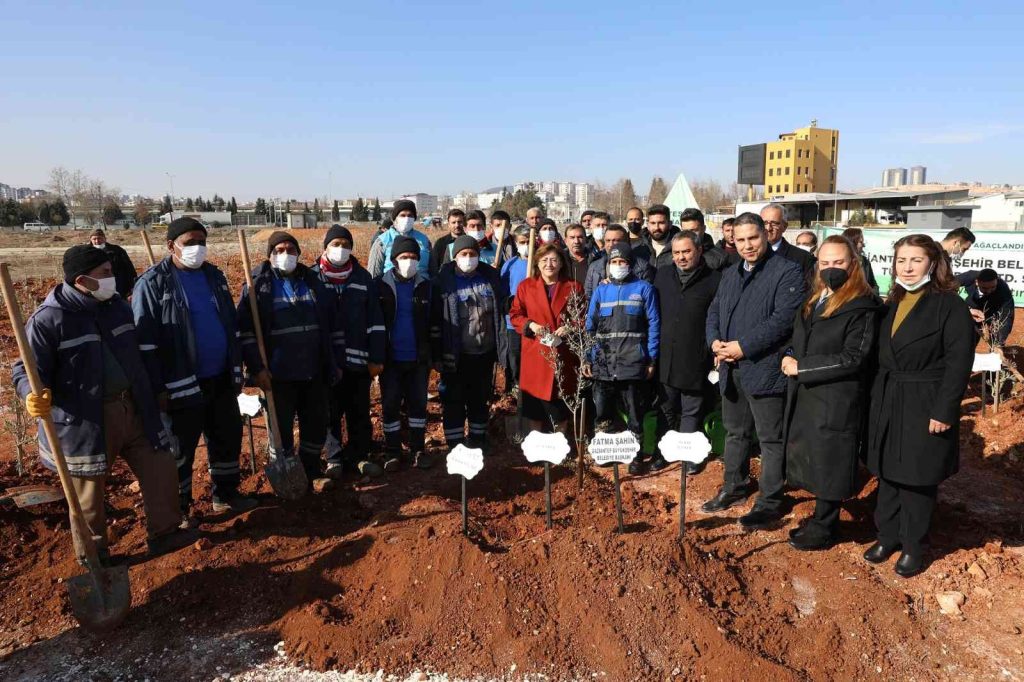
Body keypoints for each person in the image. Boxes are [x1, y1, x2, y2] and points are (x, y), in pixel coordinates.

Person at [14, 245, 195, 565]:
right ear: (83, 279)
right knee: (87, 494)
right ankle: (94, 555)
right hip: (85, 420)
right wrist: (32, 393)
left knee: (160, 466)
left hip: (134, 407)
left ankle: (166, 532)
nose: (113, 279)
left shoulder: (116, 308)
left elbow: (138, 356)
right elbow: (25, 370)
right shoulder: (49, 319)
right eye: (106, 274)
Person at [133, 218, 257, 524]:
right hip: (180, 383)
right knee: (180, 448)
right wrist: (156, 387)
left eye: (202, 242)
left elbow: (229, 324)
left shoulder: (214, 277)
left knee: (226, 436)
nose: (197, 248)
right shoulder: (152, 283)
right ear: (171, 246)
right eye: (190, 242)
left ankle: (225, 495)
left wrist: (236, 368)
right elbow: (144, 343)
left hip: (220, 377)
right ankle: (180, 510)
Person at [865, 234, 974, 577]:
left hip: (924, 399)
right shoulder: (893, 301)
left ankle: (913, 545)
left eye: (915, 260)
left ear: (933, 263)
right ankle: (887, 535)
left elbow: (959, 363)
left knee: (916, 477)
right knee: (887, 471)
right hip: (889, 396)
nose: (907, 267)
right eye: (901, 260)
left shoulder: (949, 305)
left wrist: (944, 411)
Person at [703, 212, 806, 528]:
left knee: (770, 439)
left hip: (765, 369)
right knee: (736, 432)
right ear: (733, 239)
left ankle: (770, 500)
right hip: (731, 370)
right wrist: (715, 342)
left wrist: (741, 347)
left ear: (766, 235)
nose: (747, 245)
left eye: (754, 238)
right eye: (741, 239)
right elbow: (715, 310)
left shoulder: (787, 272)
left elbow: (782, 322)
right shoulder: (731, 273)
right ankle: (733, 487)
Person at [781, 236, 881, 551]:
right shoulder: (816, 298)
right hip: (809, 393)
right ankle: (821, 520)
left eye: (838, 262)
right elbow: (800, 337)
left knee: (831, 461)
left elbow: (854, 357)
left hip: (836, 396)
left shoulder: (862, 305)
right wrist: (789, 354)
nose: (830, 268)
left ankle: (826, 527)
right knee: (815, 456)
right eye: (825, 262)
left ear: (853, 264)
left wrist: (803, 367)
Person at [237, 231, 343, 484]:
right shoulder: (256, 286)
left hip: (313, 370)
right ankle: (283, 472)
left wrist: (333, 362)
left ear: (299, 253)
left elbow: (329, 322)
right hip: (278, 374)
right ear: (270, 255)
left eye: (291, 250)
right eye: (279, 251)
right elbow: (246, 332)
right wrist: (257, 367)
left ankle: (311, 471)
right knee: (280, 429)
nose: (286, 255)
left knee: (316, 423)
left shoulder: (313, 281)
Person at [312, 224, 387, 479]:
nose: (341, 249)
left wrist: (376, 357)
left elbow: (375, 321)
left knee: (358, 411)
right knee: (330, 413)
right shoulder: (313, 278)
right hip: (327, 362)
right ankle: (333, 458)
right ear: (325, 247)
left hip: (358, 362)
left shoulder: (362, 278)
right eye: (336, 244)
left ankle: (360, 456)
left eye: (346, 245)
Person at [583, 241, 660, 475]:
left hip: (633, 362)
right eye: (614, 262)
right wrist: (588, 357)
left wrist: (651, 359)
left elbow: (654, 325)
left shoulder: (644, 289)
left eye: (622, 262)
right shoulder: (601, 291)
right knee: (603, 412)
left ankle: (635, 457)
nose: (618, 266)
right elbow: (590, 327)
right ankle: (605, 453)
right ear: (608, 266)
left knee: (635, 412)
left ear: (630, 264)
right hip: (604, 364)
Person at [653, 231, 722, 474]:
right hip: (665, 355)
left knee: (691, 408)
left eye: (686, 251)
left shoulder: (714, 280)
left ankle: (690, 455)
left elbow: (718, 319)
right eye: (677, 253)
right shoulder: (662, 276)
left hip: (696, 356)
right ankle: (663, 452)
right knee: (666, 407)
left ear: (699, 250)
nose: (681, 257)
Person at [433, 235, 508, 453]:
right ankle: (455, 444)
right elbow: (436, 322)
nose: (468, 258)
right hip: (456, 354)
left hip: (483, 352)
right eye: (463, 255)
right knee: (454, 399)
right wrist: (437, 354)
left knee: (479, 398)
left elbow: (501, 308)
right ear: (455, 256)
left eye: (472, 254)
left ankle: (478, 439)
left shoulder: (489, 278)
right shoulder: (443, 283)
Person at [509, 244, 584, 434]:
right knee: (535, 407)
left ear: (561, 264)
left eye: (554, 260)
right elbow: (515, 315)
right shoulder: (526, 287)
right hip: (536, 353)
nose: (549, 264)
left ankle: (560, 446)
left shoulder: (573, 286)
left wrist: (570, 327)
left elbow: (583, 316)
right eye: (544, 260)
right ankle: (537, 447)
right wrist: (531, 325)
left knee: (561, 404)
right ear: (537, 263)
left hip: (563, 352)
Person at [376, 236, 433, 469]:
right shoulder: (380, 286)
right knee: (390, 404)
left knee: (418, 404)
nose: (408, 261)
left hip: (418, 358)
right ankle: (392, 451)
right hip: (390, 359)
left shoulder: (426, 286)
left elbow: (434, 322)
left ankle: (418, 449)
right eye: (403, 257)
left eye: (412, 257)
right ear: (394, 260)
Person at [500, 225, 533, 394]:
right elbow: (503, 291)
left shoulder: (539, 264)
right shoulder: (510, 265)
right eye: (522, 242)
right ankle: (514, 385)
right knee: (514, 354)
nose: (526, 245)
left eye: (529, 242)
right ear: (516, 243)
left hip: (534, 320)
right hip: (514, 321)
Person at [584, 224, 655, 299]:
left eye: (616, 241)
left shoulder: (642, 267)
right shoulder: (594, 267)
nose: (611, 244)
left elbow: (647, 297)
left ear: (627, 241)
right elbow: (588, 297)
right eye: (608, 240)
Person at [368, 200, 432, 277]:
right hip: (390, 286)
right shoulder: (382, 241)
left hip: (421, 286)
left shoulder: (424, 240)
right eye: (403, 215)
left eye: (410, 215)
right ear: (394, 218)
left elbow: (433, 269)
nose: (407, 218)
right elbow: (374, 273)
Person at [760, 203, 814, 278]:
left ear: (784, 226)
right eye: (764, 223)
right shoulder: (746, 255)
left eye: (774, 223)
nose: (768, 228)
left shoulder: (803, 258)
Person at [966, 268, 1015, 346]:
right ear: (977, 282)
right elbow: (947, 288)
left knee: (996, 335)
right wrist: (967, 310)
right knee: (969, 338)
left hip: (993, 311)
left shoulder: (1004, 291)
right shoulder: (968, 277)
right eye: (984, 288)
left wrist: (999, 342)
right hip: (972, 308)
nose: (989, 291)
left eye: (993, 287)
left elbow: (1006, 317)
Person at [89, 227, 138, 298]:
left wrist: (132, 285)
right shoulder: (86, 253)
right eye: (94, 239)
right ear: (90, 240)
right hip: (97, 287)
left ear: (104, 238)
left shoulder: (117, 250)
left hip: (118, 286)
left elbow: (129, 268)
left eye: (99, 238)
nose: (97, 241)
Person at [841, 227, 879, 293]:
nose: (863, 245)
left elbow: (874, 285)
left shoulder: (865, 261)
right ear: (851, 242)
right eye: (860, 242)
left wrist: (872, 295)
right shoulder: (840, 263)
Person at [642, 204, 678, 268]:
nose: (657, 228)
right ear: (647, 225)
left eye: (661, 223)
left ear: (670, 224)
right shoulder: (639, 248)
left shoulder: (680, 248)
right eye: (653, 223)